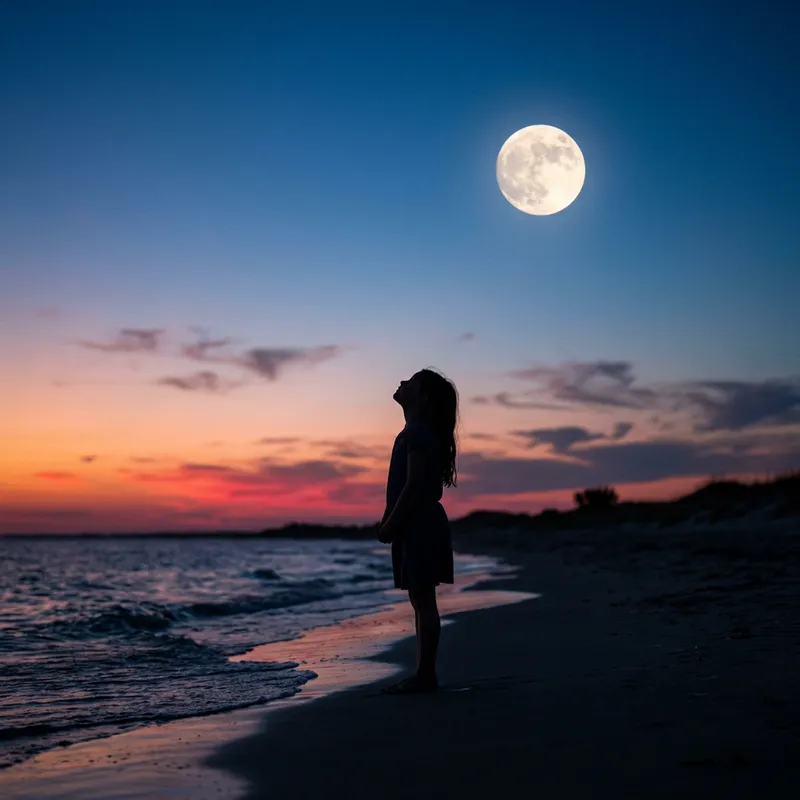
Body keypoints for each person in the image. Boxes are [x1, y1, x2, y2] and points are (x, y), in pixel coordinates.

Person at [377, 368, 458, 694]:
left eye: (410, 381)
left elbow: (414, 485)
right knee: (419, 598)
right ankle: (423, 673)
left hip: (419, 523)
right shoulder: (413, 432)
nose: (401, 382)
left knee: (424, 600)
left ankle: (425, 675)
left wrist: (391, 524)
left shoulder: (420, 433)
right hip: (414, 523)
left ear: (422, 398)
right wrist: (390, 517)